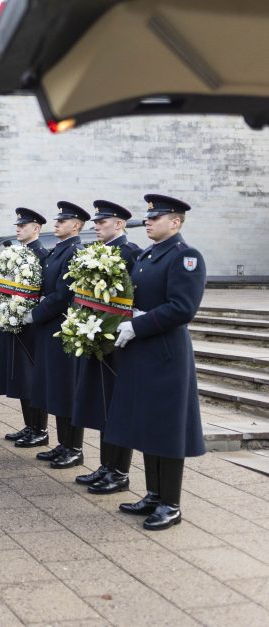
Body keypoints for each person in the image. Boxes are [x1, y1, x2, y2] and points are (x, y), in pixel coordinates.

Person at [105, 195, 205, 531]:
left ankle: (171, 503)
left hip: (165, 353)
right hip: (142, 351)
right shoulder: (148, 255)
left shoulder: (185, 257)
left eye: (155, 217)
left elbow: (182, 308)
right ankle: (153, 494)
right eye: (148, 217)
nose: (147, 221)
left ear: (175, 222)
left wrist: (137, 324)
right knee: (147, 423)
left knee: (167, 428)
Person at [71, 201, 142, 494]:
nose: (96, 226)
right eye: (96, 223)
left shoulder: (130, 253)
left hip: (117, 341)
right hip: (95, 337)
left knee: (117, 406)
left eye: (102, 222)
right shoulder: (95, 252)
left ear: (119, 224)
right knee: (101, 403)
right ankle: (105, 465)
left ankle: (119, 471)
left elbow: (134, 295)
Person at [25, 201, 88, 469]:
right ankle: (63, 443)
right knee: (55, 388)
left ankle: (74, 447)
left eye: (62, 221)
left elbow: (63, 295)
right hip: (49, 328)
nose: (56, 223)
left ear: (75, 226)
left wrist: (35, 314)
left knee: (65, 389)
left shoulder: (75, 252)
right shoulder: (58, 251)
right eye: (57, 220)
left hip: (61, 326)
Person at [2, 208, 51, 448]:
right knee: (22, 375)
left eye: (24, 225)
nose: (18, 228)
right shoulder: (17, 253)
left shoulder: (41, 254)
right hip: (15, 320)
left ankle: (39, 429)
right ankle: (30, 425)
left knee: (32, 376)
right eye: (17, 225)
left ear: (36, 228)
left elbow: (44, 291)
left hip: (31, 323)